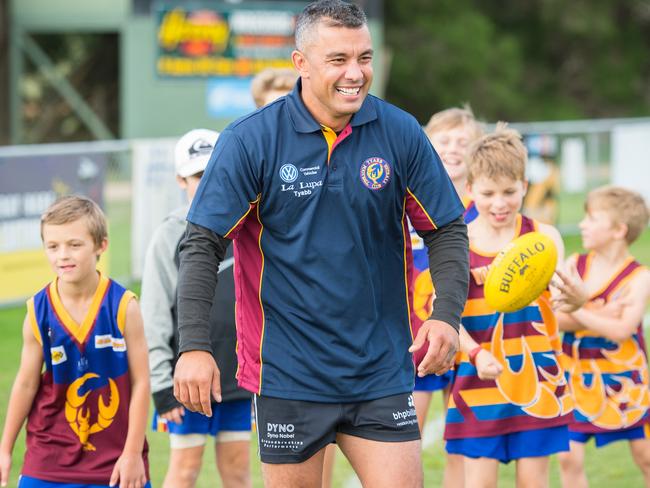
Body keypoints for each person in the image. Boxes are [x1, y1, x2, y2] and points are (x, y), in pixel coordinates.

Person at [173, 1, 470, 486]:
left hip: (380, 370)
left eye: (365, 58)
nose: (356, 73)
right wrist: (194, 347)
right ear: (301, 63)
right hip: (288, 375)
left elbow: (446, 228)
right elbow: (202, 243)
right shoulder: (251, 141)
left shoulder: (400, 132)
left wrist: (446, 316)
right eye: (338, 60)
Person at [443, 124, 573, 488]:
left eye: (509, 192)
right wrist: (474, 353)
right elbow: (446, 316)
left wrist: (574, 296)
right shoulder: (459, 243)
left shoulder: (544, 237)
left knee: (534, 482)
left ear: (525, 187)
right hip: (480, 378)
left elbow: (561, 304)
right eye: (487, 193)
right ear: (470, 190)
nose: (499, 203)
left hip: (537, 380)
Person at [0, 195, 150, 488]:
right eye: (53, 247)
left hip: (116, 460)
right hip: (48, 459)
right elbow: (26, 384)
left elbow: (141, 382)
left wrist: (132, 453)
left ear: (101, 245)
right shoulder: (37, 312)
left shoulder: (124, 306)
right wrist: (5, 449)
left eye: (74, 245)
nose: (63, 255)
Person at [141, 130, 252, 488]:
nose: (206, 183)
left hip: (237, 378)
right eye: (197, 176)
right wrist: (161, 383)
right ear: (180, 180)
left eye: (214, 173)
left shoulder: (247, 226)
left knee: (237, 470)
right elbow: (154, 315)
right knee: (185, 469)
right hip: (186, 380)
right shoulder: (170, 234)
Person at [552, 186, 650, 488]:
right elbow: (555, 319)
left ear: (619, 230)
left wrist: (579, 309)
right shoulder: (574, 266)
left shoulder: (640, 276)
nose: (582, 224)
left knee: (645, 455)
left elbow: (622, 331)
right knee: (568, 458)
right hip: (575, 379)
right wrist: (603, 312)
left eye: (592, 218)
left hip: (626, 381)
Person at [411, 106, 483, 488]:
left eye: (463, 141)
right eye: (445, 140)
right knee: (405, 437)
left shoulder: (485, 208)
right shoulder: (409, 202)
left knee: (460, 440)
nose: (454, 148)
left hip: (466, 335)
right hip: (414, 336)